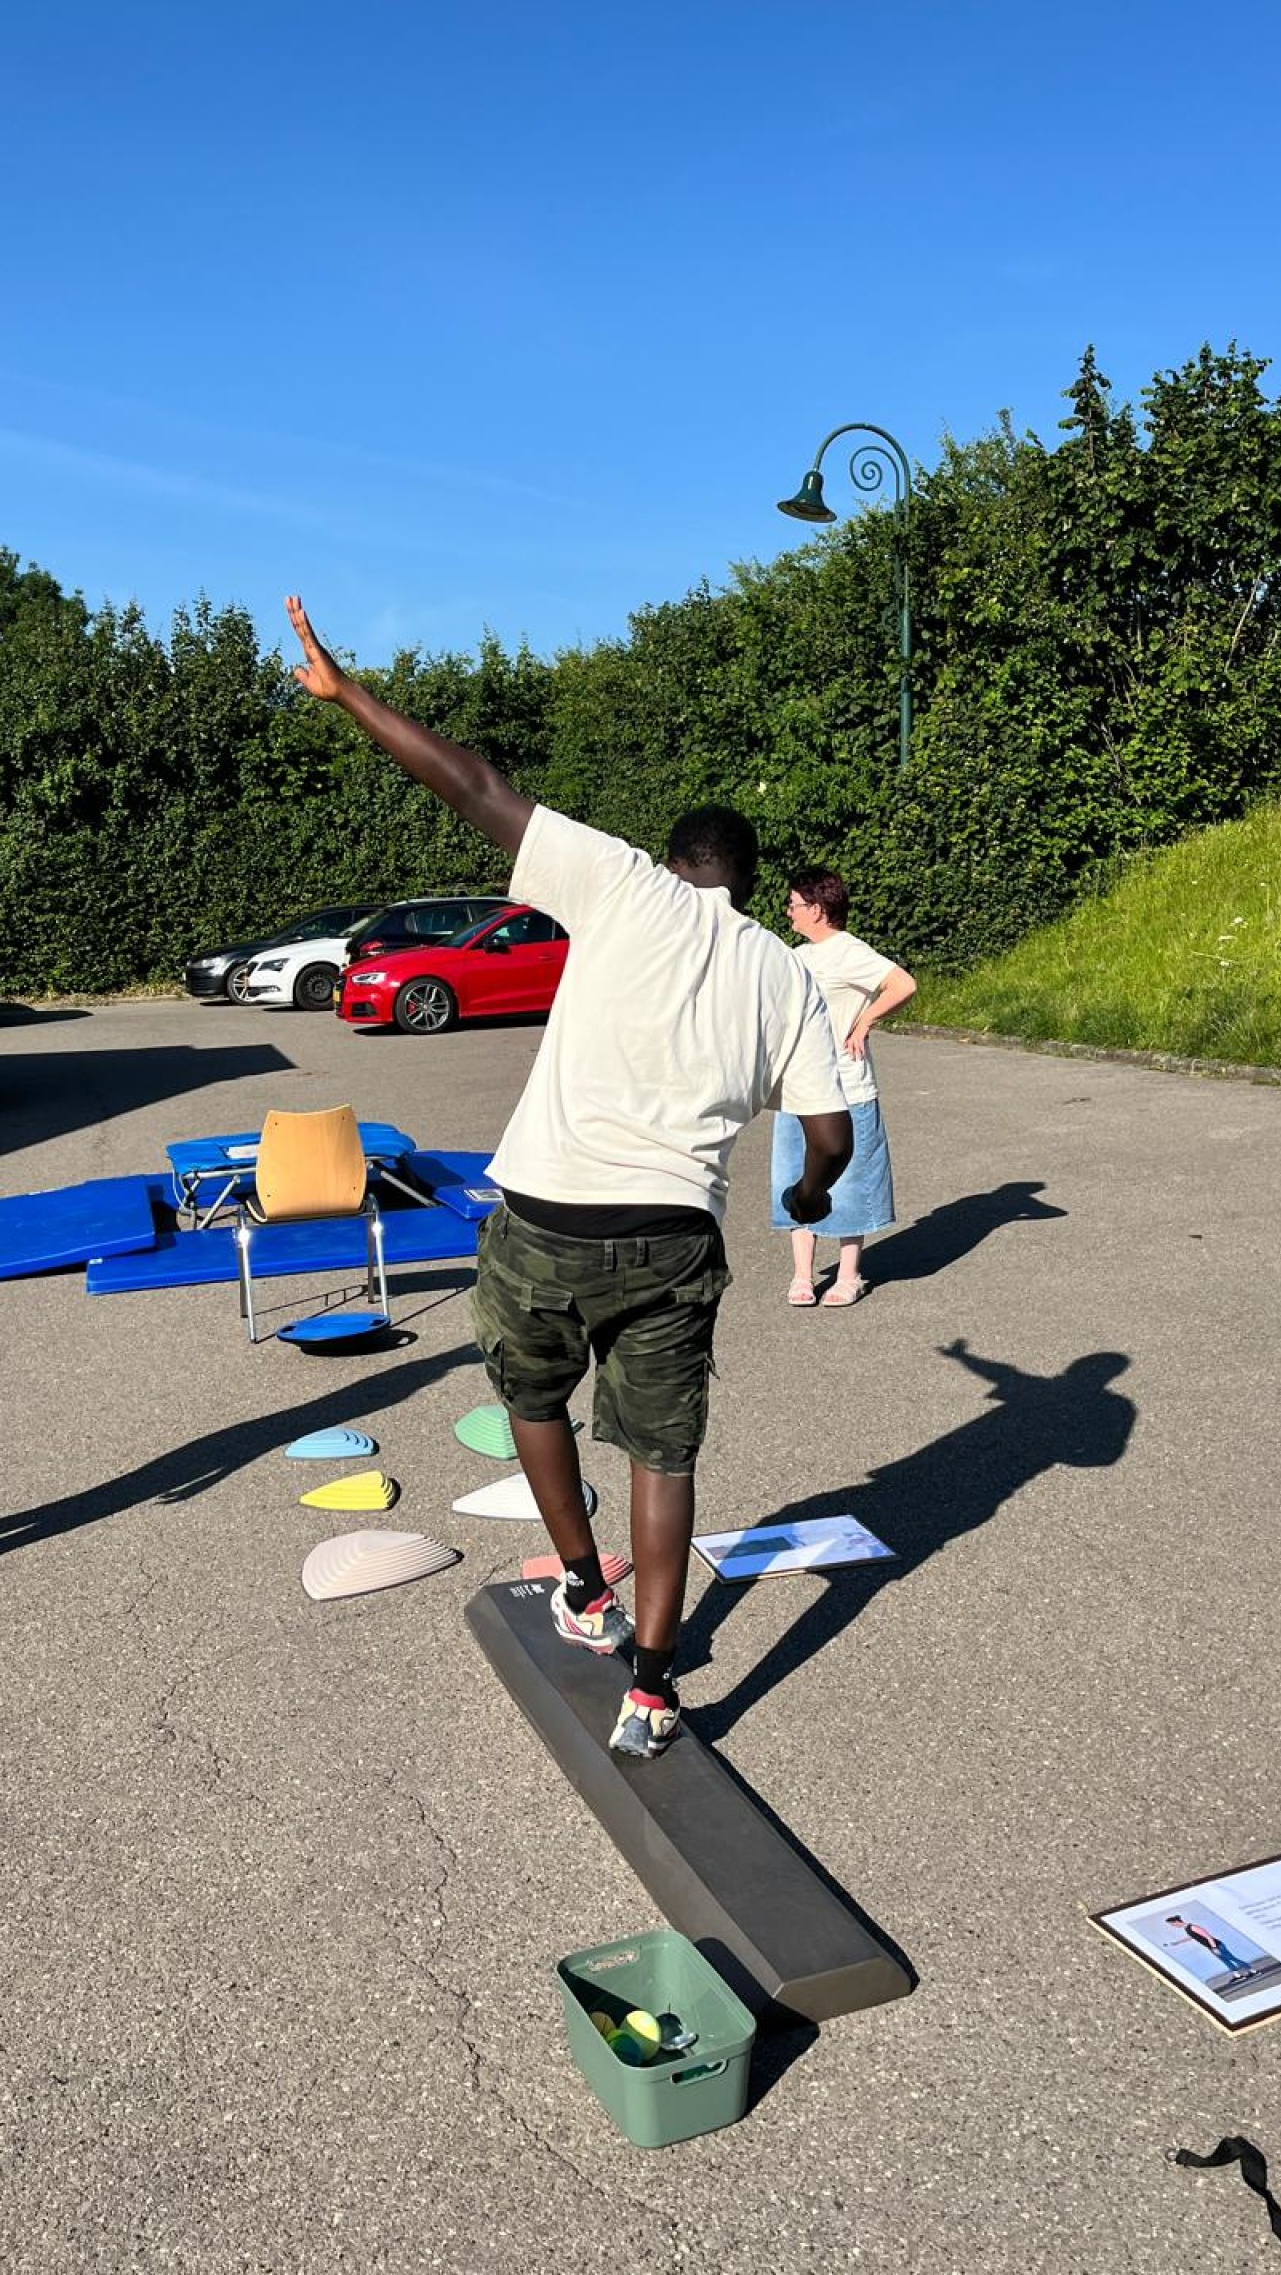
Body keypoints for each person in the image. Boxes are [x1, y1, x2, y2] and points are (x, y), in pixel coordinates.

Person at [284, 596, 852, 1758]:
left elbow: (474, 782)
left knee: (533, 1399)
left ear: (677, 862)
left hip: (545, 1216)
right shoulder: (785, 973)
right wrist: (806, 1199)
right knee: (662, 1454)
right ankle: (654, 1687)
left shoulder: (624, 884)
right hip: (672, 1237)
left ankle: (586, 1590)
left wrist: (348, 696)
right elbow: (829, 1135)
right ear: (746, 885)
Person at [771, 867, 917, 1307]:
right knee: (796, 1176)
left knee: (850, 1179)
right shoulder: (795, 956)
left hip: (846, 1086)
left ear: (817, 909)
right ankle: (802, 1274)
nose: (789, 912)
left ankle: (849, 1274)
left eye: (794, 904)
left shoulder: (849, 951)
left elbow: (903, 984)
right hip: (798, 1086)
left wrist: (865, 1021)